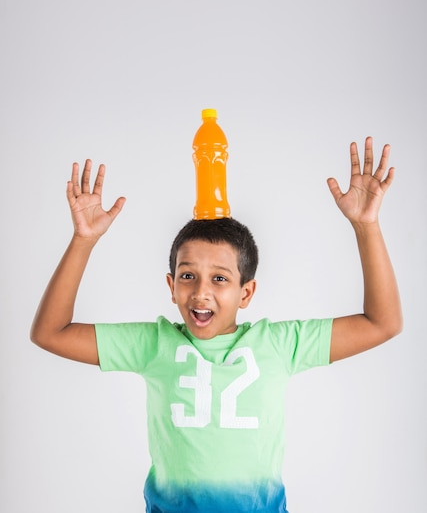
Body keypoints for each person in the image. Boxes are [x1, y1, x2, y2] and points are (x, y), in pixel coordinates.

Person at [30, 137, 402, 513]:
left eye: (220, 279)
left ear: (246, 292)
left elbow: (381, 323)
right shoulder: (153, 344)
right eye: (188, 276)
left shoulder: (278, 344)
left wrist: (366, 226)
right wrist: (83, 240)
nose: (201, 293)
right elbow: (50, 333)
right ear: (171, 286)